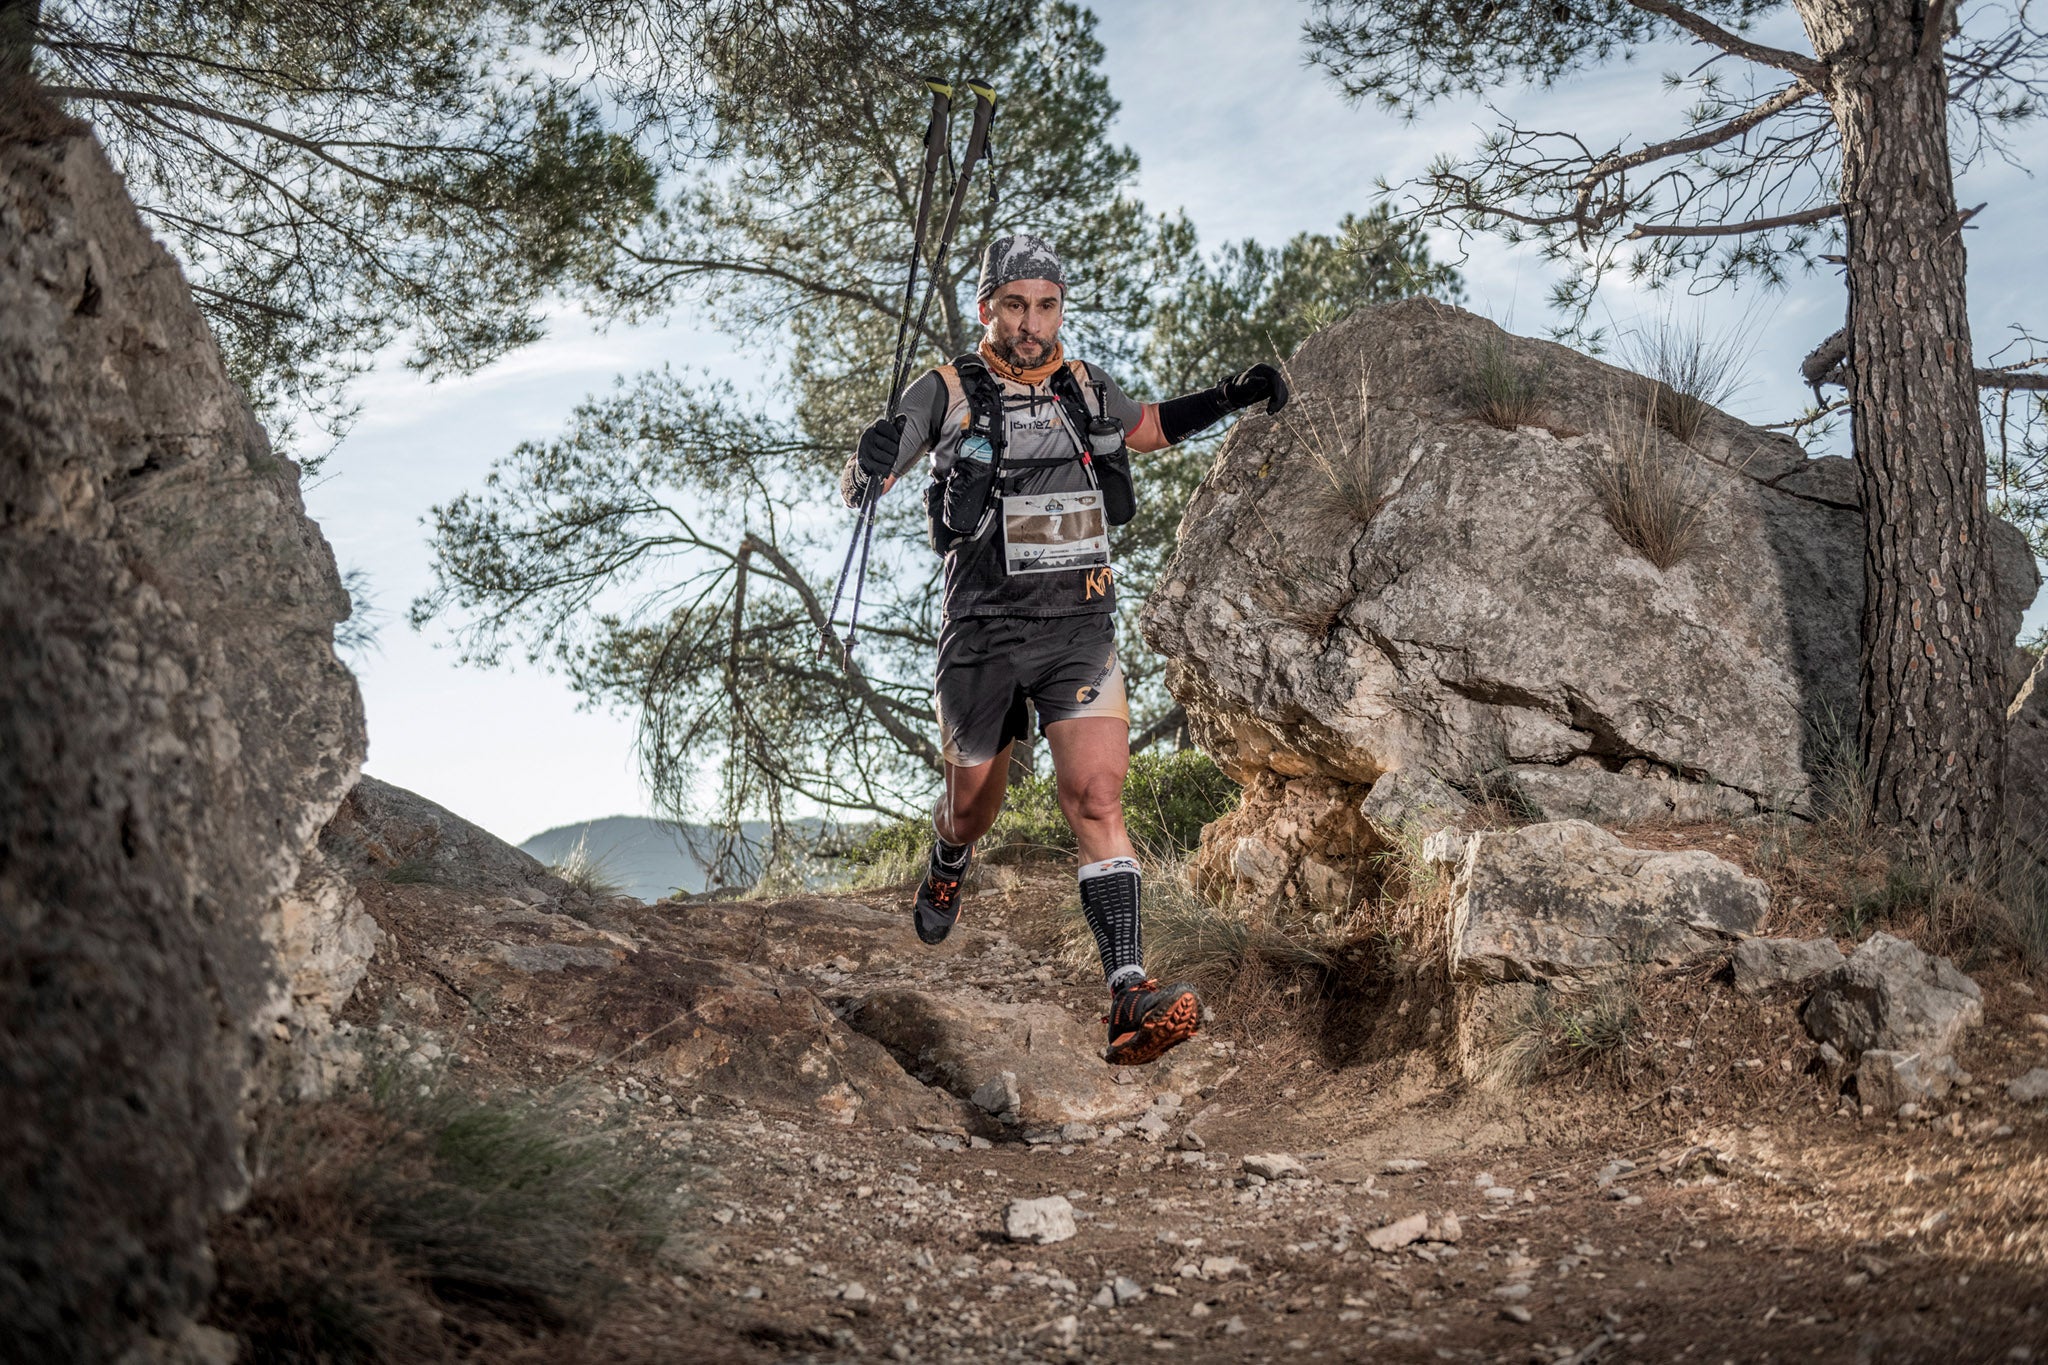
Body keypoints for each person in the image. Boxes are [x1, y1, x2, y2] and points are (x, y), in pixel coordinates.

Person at [839, 233, 1287, 1066]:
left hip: (1079, 628)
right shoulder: (945, 389)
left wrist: (1231, 395)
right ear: (987, 310)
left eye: (1046, 305)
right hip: (982, 634)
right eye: (1015, 305)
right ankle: (947, 853)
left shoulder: (1083, 386)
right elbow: (873, 471)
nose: (1031, 323)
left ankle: (1128, 993)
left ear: (1060, 309)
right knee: (975, 804)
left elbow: (1148, 426)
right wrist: (866, 466)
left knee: (1095, 797)